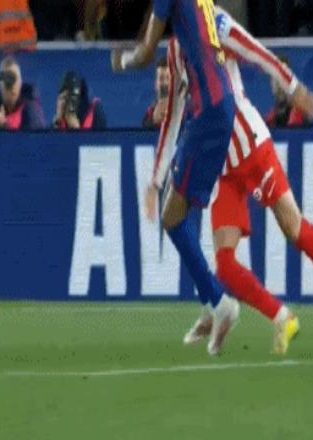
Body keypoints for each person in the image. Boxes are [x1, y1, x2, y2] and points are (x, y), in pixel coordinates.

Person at [147, 7, 313, 355]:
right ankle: (282, 317)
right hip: (221, 166)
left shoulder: (215, 22)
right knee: (225, 265)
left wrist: (294, 87)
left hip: (252, 148)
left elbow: (257, 52)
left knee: (293, 227)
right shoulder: (176, 49)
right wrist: (157, 178)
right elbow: (174, 117)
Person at [111, 0, 240, 356]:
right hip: (222, 105)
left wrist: (121, 61)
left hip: (208, 111)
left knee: (171, 217)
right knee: (187, 209)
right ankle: (210, 307)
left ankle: (219, 302)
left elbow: (144, 52)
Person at [0, 55, 45, 130]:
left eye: (14, 78)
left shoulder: (30, 108)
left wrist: (2, 126)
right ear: (0, 85)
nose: (12, 87)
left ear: (20, 82)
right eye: (6, 84)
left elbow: (30, 137)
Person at [265, 55, 308, 128]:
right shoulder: (269, 120)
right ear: (271, 82)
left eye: (284, 76)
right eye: (275, 76)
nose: (280, 82)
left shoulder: (301, 116)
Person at [142, 56, 171, 129]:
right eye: (161, 78)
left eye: (168, 78)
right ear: (156, 84)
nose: (165, 83)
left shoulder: (186, 112)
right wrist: (154, 120)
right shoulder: (149, 114)